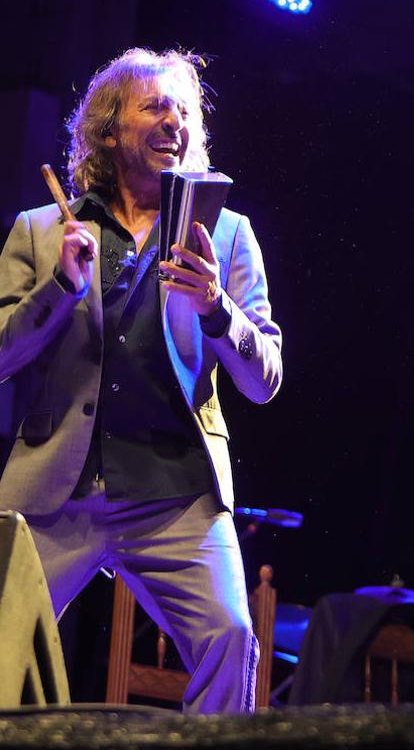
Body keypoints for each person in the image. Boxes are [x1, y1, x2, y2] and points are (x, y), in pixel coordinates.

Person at [0, 48, 282, 712]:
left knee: (232, 637)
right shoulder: (42, 232)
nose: (173, 122)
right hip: (58, 493)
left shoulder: (229, 236)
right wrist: (58, 288)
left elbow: (265, 378)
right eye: (154, 106)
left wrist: (216, 307)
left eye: (182, 110)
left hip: (174, 496)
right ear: (108, 128)